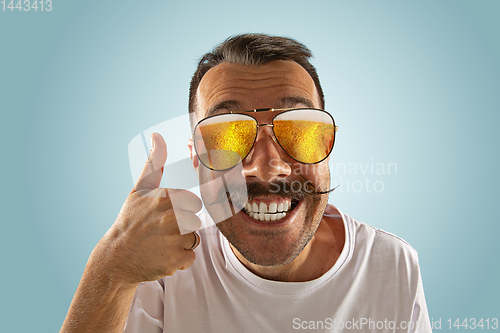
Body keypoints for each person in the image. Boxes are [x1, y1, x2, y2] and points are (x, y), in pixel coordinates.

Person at [60, 34, 432, 333]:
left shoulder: (392, 265)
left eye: (299, 130)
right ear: (194, 160)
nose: (268, 169)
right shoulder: (158, 268)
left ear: (327, 146)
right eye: (227, 137)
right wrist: (111, 270)